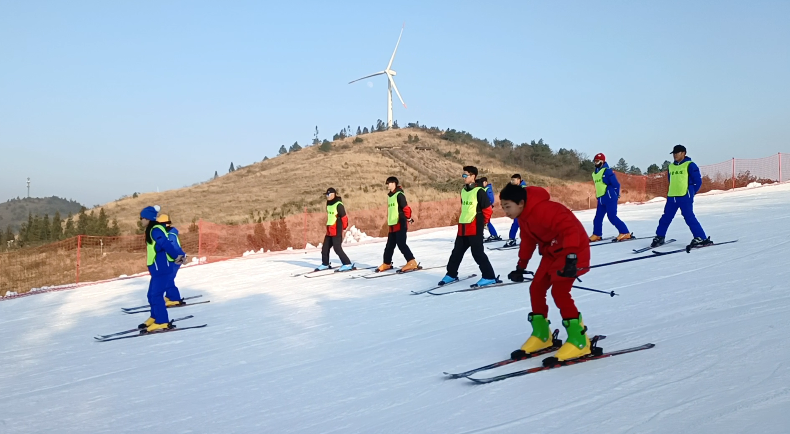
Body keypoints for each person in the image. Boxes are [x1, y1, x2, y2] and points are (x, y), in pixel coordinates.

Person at [499, 183, 593, 362]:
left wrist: (572, 257)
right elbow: (527, 242)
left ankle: (579, 340)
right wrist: (521, 266)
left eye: (507, 207)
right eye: (503, 207)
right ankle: (542, 335)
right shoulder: (524, 218)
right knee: (536, 288)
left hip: (573, 250)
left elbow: (570, 228)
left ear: (520, 203)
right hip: (552, 253)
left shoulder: (545, 210)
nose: (506, 212)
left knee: (559, 291)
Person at [438, 166, 498, 288]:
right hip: (463, 227)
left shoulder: (480, 191)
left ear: (473, 177)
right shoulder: (463, 191)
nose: (463, 177)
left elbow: (487, 209)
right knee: (456, 252)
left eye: (466, 175)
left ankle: (489, 276)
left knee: (477, 253)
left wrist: (484, 223)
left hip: (475, 227)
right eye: (463, 175)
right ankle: (451, 274)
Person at [651, 145, 712, 249]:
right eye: (674, 153)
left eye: (677, 153)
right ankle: (660, 236)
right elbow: (671, 180)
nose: (675, 155)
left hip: (685, 196)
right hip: (672, 197)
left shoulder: (690, 165)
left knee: (689, 217)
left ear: (683, 153)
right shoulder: (671, 166)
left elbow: (698, 181)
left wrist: (691, 192)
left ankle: (701, 237)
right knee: (666, 217)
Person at [139, 206, 186, 333]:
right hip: (156, 268)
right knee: (151, 294)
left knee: (156, 295)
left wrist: (178, 257)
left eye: (141, 218)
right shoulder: (152, 230)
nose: (141, 221)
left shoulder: (155, 230)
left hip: (161, 267)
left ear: (147, 218)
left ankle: (162, 321)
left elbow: (167, 245)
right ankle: (155, 317)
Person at [377, 177, 420, 273]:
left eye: (388, 183)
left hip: (400, 222)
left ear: (394, 183)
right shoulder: (390, 196)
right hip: (392, 223)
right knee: (389, 245)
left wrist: (408, 218)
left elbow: (406, 208)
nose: (387, 185)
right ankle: (387, 263)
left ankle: (412, 262)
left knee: (401, 244)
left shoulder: (399, 195)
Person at [589, 153, 632, 242]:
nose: (596, 163)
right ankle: (597, 234)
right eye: (595, 161)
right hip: (601, 198)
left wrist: (616, 194)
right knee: (597, 218)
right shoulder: (594, 173)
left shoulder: (607, 171)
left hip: (609, 197)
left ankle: (625, 232)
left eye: (598, 161)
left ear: (603, 161)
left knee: (611, 216)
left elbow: (616, 184)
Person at [316, 188, 354, 271]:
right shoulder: (328, 203)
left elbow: (344, 217)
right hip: (329, 229)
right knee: (325, 248)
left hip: (337, 229)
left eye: (328, 194)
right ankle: (325, 263)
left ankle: (347, 264)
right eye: (326, 195)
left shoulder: (339, 204)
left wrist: (344, 228)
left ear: (333, 194)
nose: (327, 196)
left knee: (337, 248)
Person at [157, 214, 185, 307]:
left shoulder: (170, 234)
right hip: (171, 259)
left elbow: (175, 247)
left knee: (168, 279)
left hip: (176, 258)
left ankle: (175, 298)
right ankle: (169, 296)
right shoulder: (166, 233)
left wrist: (179, 257)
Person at [504, 174, 527, 247]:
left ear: (518, 180)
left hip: (522, 209)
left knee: (521, 224)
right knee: (517, 224)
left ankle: (513, 239)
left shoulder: (523, 188)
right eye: (511, 180)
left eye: (513, 180)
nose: (512, 182)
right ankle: (512, 239)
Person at [479, 177, 501, 242]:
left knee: (487, 222)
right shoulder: (483, 189)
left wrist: (488, 204)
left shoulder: (488, 189)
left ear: (485, 182)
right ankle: (481, 235)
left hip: (487, 208)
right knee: (482, 221)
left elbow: (491, 199)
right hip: (483, 208)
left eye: (482, 183)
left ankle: (494, 235)